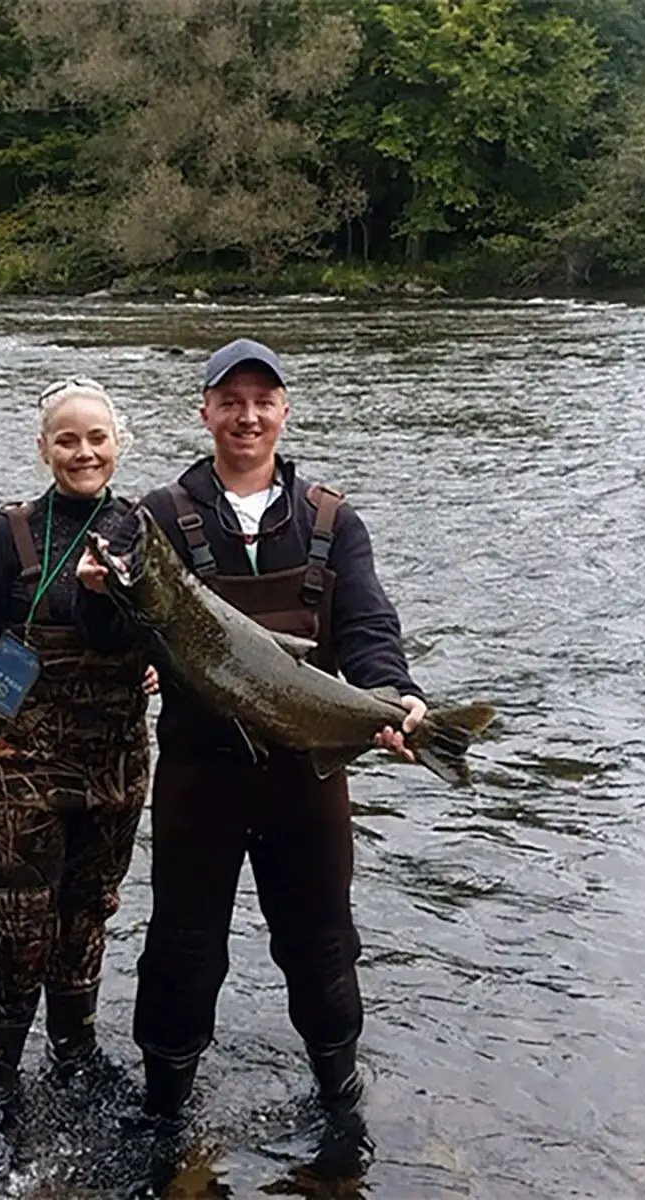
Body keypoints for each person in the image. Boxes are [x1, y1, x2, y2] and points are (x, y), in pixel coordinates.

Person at [107, 337, 426, 1125]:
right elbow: (111, 631)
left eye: (262, 401)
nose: (247, 417)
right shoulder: (155, 517)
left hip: (306, 779)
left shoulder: (331, 520)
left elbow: (367, 625)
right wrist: (99, 598)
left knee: (322, 948)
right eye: (231, 402)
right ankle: (166, 1112)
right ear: (206, 412)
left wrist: (393, 696)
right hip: (196, 779)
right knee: (181, 954)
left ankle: (339, 1099)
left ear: (284, 411)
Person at [0, 377, 153, 1127]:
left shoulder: (142, 530)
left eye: (97, 437)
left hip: (118, 768)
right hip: (21, 766)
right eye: (67, 440)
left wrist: (147, 653)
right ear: (44, 450)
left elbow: (161, 630)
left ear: (118, 444)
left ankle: (75, 1049)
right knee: (18, 929)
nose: (84, 452)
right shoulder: (11, 536)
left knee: (88, 913)